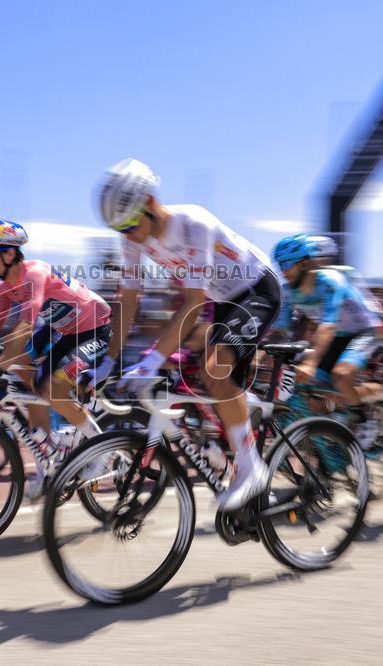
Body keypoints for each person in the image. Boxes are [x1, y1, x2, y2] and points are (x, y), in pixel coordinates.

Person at [90, 158, 282, 510]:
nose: (128, 236)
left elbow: (193, 303)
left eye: (130, 224)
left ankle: (252, 470)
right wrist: (109, 359)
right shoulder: (133, 237)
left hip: (256, 289)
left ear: (149, 202)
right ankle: (242, 418)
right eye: (119, 230)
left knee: (214, 369)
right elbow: (129, 299)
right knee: (205, 379)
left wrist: (152, 360)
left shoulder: (193, 223)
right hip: (223, 299)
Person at [0, 220, 112, 497]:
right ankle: (49, 463)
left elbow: (24, 327)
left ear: (9, 254)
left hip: (95, 328)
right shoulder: (3, 288)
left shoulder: (35, 273)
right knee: (25, 383)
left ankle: (101, 448)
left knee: (50, 387)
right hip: (63, 331)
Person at [271, 234, 383, 449]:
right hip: (337, 338)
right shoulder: (288, 291)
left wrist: (311, 362)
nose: (283, 271)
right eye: (279, 265)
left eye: (287, 264)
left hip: (364, 332)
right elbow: (281, 329)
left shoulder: (331, 282)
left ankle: (364, 419)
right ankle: (332, 444)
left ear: (305, 264)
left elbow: (327, 326)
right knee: (313, 397)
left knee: (341, 376)